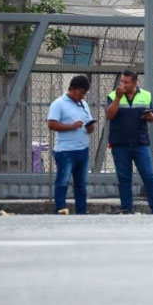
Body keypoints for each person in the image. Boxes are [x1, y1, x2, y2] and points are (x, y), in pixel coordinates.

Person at [106, 70, 153, 214]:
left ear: (135, 83)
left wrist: (150, 116)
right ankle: (127, 208)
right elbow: (109, 115)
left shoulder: (145, 95)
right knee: (124, 177)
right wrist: (117, 98)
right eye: (122, 81)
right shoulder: (113, 95)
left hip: (140, 143)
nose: (123, 84)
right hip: (120, 144)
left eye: (127, 82)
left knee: (149, 176)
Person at [47, 75, 94, 215]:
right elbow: (51, 124)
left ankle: (81, 211)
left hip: (82, 149)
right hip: (65, 151)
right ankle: (60, 209)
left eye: (85, 93)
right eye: (80, 92)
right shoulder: (58, 104)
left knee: (81, 184)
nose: (82, 96)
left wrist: (90, 127)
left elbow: (89, 125)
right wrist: (71, 126)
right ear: (72, 89)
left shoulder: (83, 105)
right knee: (63, 182)